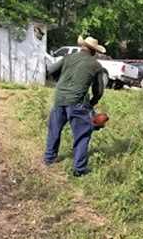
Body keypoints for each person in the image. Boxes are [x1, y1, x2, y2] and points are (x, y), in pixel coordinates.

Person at [44, 35, 105, 177]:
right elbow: (99, 90)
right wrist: (92, 103)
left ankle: (49, 158)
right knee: (82, 134)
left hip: (59, 98)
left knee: (54, 129)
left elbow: (50, 71)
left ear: (82, 47)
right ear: (94, 51)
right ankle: (79, 169)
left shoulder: (68, 58)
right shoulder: (96, 65)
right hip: (77, 102)